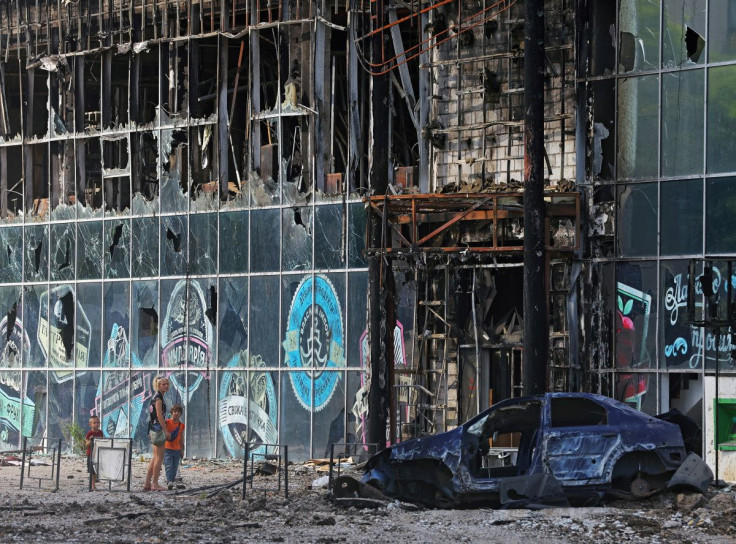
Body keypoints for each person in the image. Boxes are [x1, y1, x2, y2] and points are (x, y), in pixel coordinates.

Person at [144, 375, 171, 491]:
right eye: (163, 384)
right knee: (159, 457)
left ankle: (147, 483)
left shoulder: (157, 397)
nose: (166, 386)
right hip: (158, 429)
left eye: (167, 384)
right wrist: (166, 430)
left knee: (155, 457)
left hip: (153, 428)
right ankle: (155, 483)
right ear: (158, 385)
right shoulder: (158, 398)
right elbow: (159, 415)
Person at [164, 404, 186, 490]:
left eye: (178, 412)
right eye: (175, 411)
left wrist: (182, 449)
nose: (176, 413)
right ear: (171, 413)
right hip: (167, 448)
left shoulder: (181, 425)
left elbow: (181, 438)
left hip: (177, 449)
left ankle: (171, 482)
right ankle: (169, 481)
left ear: (180, 414)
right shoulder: (167, 423)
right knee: (168, 465)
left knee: (175, 466)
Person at [85, 415, 104, 491]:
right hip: (91, 454)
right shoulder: (89, 433)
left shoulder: (100, 432)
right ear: (90, 424)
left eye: (98, 422)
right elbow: (86, 444)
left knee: (96, 470)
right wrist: (90, 440)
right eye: (94, 422)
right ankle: (92, 486)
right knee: (92, 471)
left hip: (98, 453)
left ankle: (93, 485)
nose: (96, 424)